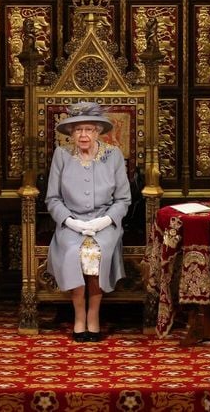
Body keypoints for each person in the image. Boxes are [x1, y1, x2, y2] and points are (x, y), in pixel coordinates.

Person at [45, 101, 130, 342]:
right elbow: (52, 199)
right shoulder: (61, 156)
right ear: (71, 133)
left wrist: (104, 222)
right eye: (78, 130)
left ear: (98, 132)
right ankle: (79, 315)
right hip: (71, 224)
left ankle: (93, 314)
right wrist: (70, 222)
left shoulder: (113, 156)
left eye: (89, 129)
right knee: (75, 251)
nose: (84, 135)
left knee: (96, 253)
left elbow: (124, 199)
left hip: (104, 223)